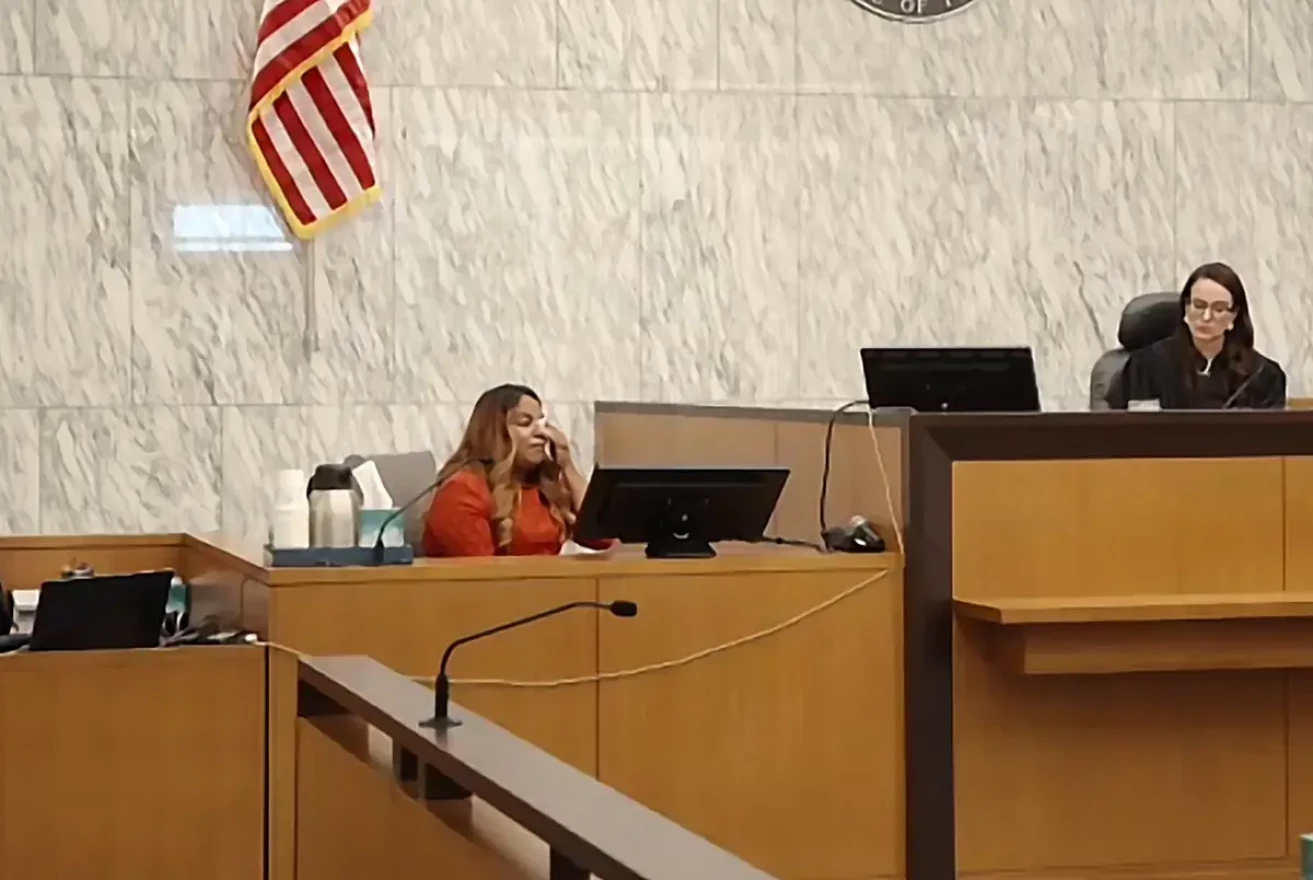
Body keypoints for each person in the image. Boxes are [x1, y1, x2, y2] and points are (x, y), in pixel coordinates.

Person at [422, 383, 612, 557]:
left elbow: (604, 537)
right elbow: (481, 578)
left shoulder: (544, 482)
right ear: (494, 432)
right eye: (525, 423)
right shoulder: (463, 490)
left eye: (542, 423)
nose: (542, 433)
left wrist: (567, 466)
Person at [1107, 261, 1286, 410]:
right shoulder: (1146, 366)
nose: (1206, 317)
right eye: (1199, 306)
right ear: (1186, 307)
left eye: (1219, 309)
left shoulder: (1263, 375)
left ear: (1234, 315)